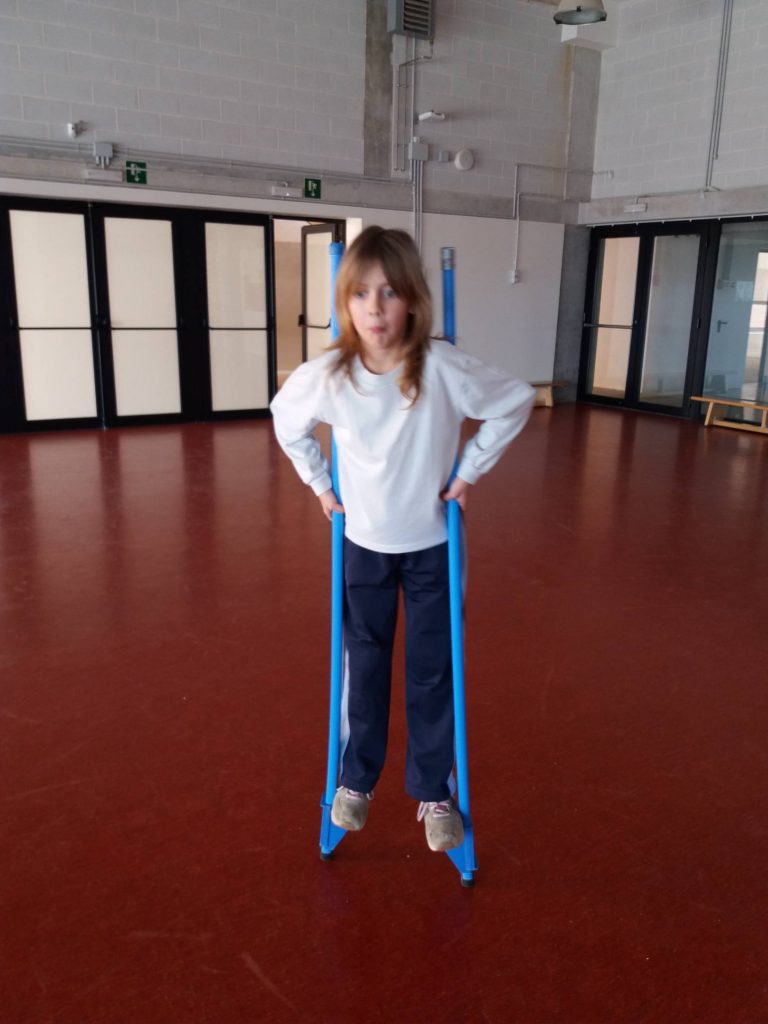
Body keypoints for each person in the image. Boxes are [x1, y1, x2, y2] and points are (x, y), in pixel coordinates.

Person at [270, 226, 535, 853]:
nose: (375, 308)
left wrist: (469, 471)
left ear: (412, 299)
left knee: (432, 670)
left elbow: (516, 401)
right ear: (345, 302)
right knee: (363, 665)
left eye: (390, 293)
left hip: (432, 546)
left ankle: (433, 790)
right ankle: (356, 780)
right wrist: (319, 485)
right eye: (361, 294)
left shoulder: (441, 367)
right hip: (363, 544)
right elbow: (286, 419)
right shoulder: (330, 374)